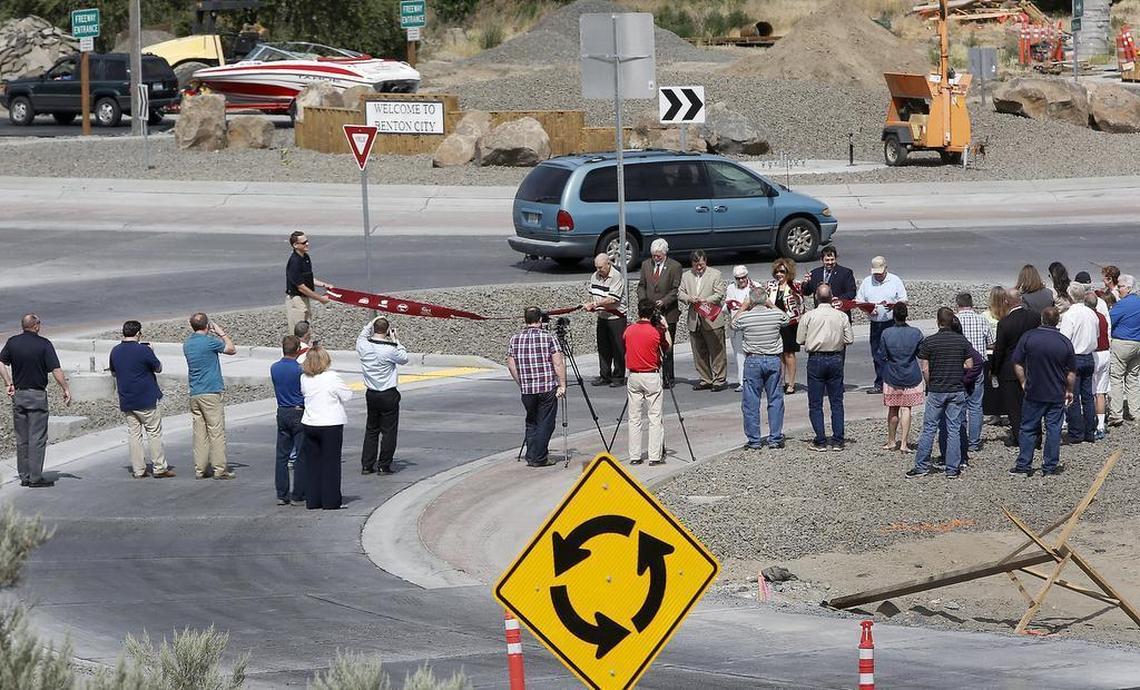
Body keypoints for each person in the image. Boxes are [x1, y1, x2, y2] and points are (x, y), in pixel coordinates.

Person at [0, 314, 71, 488]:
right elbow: (55, 369)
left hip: (20, 395)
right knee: (37, 437)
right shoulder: (44, 344)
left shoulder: (13, 342)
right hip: (37, 395)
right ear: (36, 326)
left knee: (22, 437)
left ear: (23, 326)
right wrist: (65, 388)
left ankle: (24, 475)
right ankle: (35, 477)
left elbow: (1, 362)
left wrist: (8, 382)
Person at [907, 308, 972, 479]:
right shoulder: (961, 341)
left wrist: (930, 384)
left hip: (937, 389)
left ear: (938, 322)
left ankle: (921, 465)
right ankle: (952, 468)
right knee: (954, 429)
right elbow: (969, 365)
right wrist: (956, 366)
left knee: (929, 428)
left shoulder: (930, 342)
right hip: (956, 388)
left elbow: (925, 368)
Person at [1011, 307, 1076, 477]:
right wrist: (1069, 390)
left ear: (1042, 318)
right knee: (1053, 430)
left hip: (1034, 391)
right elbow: (1070, 372)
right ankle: (1050, 466)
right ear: (1057, 321)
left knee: (1028, 428)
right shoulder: (1064, 342)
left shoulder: (1029, 337)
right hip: (1056, 392)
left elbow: (1017, 362)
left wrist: (1023, 382)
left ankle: (1024, 465)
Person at [109, 320, 171, 479]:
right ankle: (159, 467)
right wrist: (152, 351)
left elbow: (114, 373)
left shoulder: (115, 351)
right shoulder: (144, 350)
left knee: (134, 434)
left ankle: (138, 469)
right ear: (138, 334)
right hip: (146, 398)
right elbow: (158, 368)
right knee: (154, 433)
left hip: (127, 398)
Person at [796, 284, 854, 452]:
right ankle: (838, 439)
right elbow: (849, 339)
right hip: (836, 358)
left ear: (815, 297)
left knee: (815, 402)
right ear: (831, 297)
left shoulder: (809, 316)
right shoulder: (841, 316)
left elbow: (800, 339)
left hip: (816, 359)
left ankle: (820, 440)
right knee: (836, 401)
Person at [507, 307, 567, 467]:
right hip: (546, 386)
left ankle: (531, 455)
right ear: (540, 319)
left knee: (531, 421)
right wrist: (562, 384)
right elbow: (558, 363)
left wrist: (521, 381)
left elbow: (511, 364)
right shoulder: (548, 338)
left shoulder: (515, 339)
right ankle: (540, 457)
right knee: (546, 422)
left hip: (527, 389)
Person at [183, 312, 237, 480]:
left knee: (200, 433)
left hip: (195, 392)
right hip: (211, 391)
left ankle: (200, 468)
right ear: (207, 326)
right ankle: (220, 468)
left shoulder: (187, 344)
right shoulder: (209, 342)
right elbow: (231, 349)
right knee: (216, 431)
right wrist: (221, 333)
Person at [732, 292, 788, 449]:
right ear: (765, 300)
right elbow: (786, 318)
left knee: (751, 402)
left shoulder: (745, 317)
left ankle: (754, 440)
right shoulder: (775, 315)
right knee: (775, 399)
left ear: (751, 301)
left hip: (753, 360)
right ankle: (775, 438)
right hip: (772, 359)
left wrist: (743, 306)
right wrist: (771, 304)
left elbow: (733, 324)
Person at [300, 345, 352, 509]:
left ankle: (313, 500)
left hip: (310, 423)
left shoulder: (304, 378)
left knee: (313, 463)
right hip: (330, 423)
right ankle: (331, 500)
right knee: (331, 463)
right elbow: (347, 395)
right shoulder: (332, 377)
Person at [357, 316, 408, 475]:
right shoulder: (390, 349)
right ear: (386, 330)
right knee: (389, 431)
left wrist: (373, 322)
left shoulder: (363, 345)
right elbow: (404, 358)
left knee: (371, 429)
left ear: (373, 329)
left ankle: (367, 464)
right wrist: (396, 340)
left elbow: (362, 334)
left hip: (371, 393)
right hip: (388, 393)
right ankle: (384, 465)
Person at [623, 299, 672, 465]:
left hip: (633, 375)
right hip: (651, 374)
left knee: (634, 418)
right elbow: (667, 347)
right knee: (654, 416)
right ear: (652, 313)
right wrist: (665, 327)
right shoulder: (656, 331)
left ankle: (635, 456)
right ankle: (654, 456)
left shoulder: (629, 330)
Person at [992, 289, 1041, 446]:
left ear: (1006, 301)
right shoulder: (1034, 317)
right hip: (1032, 365)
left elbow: (999, 349)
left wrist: (994, 369)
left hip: (1010, 367)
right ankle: (1037, 436)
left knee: (1014, 406)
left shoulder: (1005, 323)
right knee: (1033, 403)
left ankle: (1020, 437)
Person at [856, 256, 907, 393]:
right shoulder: (867, 282)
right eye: (876, 274)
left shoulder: (895, 280)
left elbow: (904, 300)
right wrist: (867, 309)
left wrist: (894, 306)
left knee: (894, 353)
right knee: (877, 354)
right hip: (876, 323)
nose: (878, 276)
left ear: (886, 269)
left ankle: (895, 381)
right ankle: (880, 382)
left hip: (892, 322)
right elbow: (859, 301)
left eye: (880, 273)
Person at [679, 250, 728, 391]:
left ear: (705, 261)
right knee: (698, 350)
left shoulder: (715, 274)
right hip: (695, 318)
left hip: (711, 318)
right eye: (696, 265)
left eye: (701, 264)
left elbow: (719, 294)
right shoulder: (686, 276)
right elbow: (680, 292)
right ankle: (705, 378)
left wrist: (704, 300)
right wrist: (689, 298)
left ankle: (719, 380)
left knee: (717, 351)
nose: (699, 267)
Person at [877, 303, 924, 452]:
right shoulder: (916, 333)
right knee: (906, 408)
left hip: (892, 374)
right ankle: (904, 443)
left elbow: (882, 355)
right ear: (906, 315)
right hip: (911, 374)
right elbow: (921, 353)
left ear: (894, 315)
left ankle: (891, 441)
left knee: (893, 408)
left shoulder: (886, 333)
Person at [636, 239, 683, 386]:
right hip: (650, 313)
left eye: (659, 256)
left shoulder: (675, 266)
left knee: (667, 345)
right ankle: (652, 375)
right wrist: (644, 301)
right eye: (654, 256)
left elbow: (675, 290)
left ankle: (668, 377)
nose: (656, 258)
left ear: (665, 253)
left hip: (667, 313)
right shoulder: (645, 265)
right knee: (651, 345)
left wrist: (663, 301)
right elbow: (641, 285)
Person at [1059, 283, 1099, 444]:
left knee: (1072, 396)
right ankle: (1090, 431)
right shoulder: (1092, 313)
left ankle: (1076, 433)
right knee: (1088, 396)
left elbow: (1064, 340)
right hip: (1089, 356)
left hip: (1074, 357)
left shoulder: (1070, 315)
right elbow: (1096, 334)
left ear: (1070, 297)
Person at [955, 293, 993, 452]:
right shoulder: (982, 320)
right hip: (978, 367)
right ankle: (974, 442)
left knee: (960, 404)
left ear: (957, 304)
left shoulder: (954, 320)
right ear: (972, 304)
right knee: (976, 405)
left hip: (959, 367)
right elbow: (992, 343)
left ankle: (960, 438)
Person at [270, 335, 306, 505]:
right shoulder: (300, 370)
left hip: (282, 411)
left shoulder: (274, 368)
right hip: (298, 411)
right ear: (298, 350)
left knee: (282, 456)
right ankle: (298, 493)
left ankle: (281, 493)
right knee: (300, 454)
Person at [584, 253, 626, 387]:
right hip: (602, 316)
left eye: (601, 267)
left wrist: (596, 304)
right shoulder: (594, 276)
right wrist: (589, 304)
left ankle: (618, 376)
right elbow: (591, 295)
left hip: (616, 317)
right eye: (596, 267)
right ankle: (605, 375)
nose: (598, 270)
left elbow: (613, 299)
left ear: (609, 264)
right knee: (603, 347)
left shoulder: (617, 276)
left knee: (618, 348)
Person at [765, 258, 804, 395]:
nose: (779, 274)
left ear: (788, 272)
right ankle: (780, 381)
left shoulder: (794, 285)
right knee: (778, 354)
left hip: (790, 324)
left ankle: (791, 383)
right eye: (777, 272)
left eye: (782, 271)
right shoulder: (771, 286)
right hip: (775, 324)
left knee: (789, 353)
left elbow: (800, 303)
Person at [286, 231, 335, 333]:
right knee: (299, 332)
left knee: (307, 330)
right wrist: (320, 299)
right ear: (295, 245)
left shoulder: (305, 257)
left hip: (305, 299)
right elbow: (301, 287)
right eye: (304, 243)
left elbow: (308, 279)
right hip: (296, 299)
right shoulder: (294, 262)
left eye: (307, 241)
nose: (307, 244)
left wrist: (324, 285)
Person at [1109, 274, 1140, 427]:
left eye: (1120, 286)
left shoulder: (1123, 304)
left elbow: (1110, 320)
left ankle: (1116, 413)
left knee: (1116, 378)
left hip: (1122, 343)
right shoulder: (1138, 302)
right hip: (1137, 343)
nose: (1118, 289)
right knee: (1133, 377)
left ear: (1128, 288)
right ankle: (1135, 412)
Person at [725, 265, 759, 392]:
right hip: (737, 327)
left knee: (754, 354)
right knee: (739, 355)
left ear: (747, 276)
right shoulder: (730, 288)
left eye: (743, 278)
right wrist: (730, 306)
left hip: (752, 326)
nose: (741, 281)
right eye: (738, 278)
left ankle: (755, 380)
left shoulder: (756, 286)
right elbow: (726, 306)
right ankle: (742, 382)